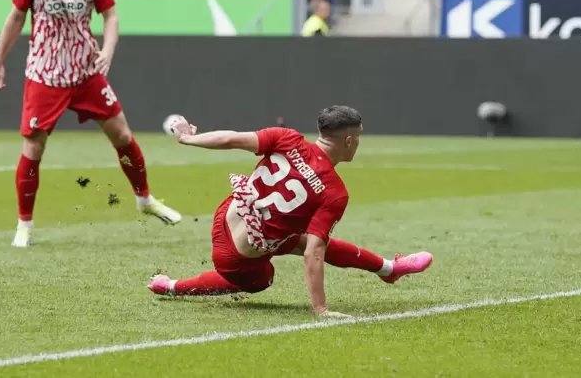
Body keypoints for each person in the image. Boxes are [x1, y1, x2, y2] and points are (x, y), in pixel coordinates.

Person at [0, 0, 182, 248]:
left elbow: (111, 16)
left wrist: (107, 48)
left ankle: (144, 198)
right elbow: (17, 17)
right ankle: (25, 225)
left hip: (85, 71)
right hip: (45, 73)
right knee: (33, 148)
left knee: (122, 133)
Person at [148, 106, 433, 317]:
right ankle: (172, 286)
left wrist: (187, 139)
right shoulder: (334, 192)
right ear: (348, 142)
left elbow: (230, 139)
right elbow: (314, 254)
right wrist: (320, 308)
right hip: (236, 256)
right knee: (265, 277)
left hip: (228, 214)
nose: (357, 143)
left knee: (300, 238)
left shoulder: (288, 138)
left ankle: (389, 269)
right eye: (357, 138)